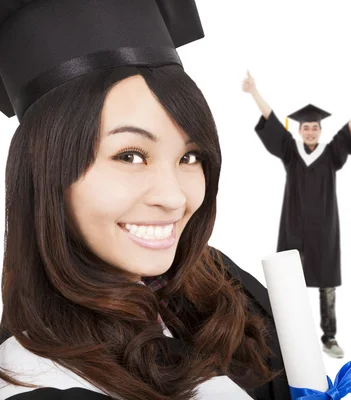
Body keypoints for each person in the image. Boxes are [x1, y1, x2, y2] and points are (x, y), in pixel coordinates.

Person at [0, 1, 290, 399]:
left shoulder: (222, 289)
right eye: (130, 156)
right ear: (45, 176)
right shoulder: (43, 382)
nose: (173, 198)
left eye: (190, 157)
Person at [242, 72, 351, 358]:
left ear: (319, 131)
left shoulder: (331, 154)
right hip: (294, 228)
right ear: (300, 131)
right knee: (289, 283)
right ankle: (289, 338)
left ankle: (329, 337)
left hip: (325, 230)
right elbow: (273, 122)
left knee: (326, 286)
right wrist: (254, 92)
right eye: (307, 128)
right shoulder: (291, 151)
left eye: (315, 128)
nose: (311, 132)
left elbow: (348, 128)